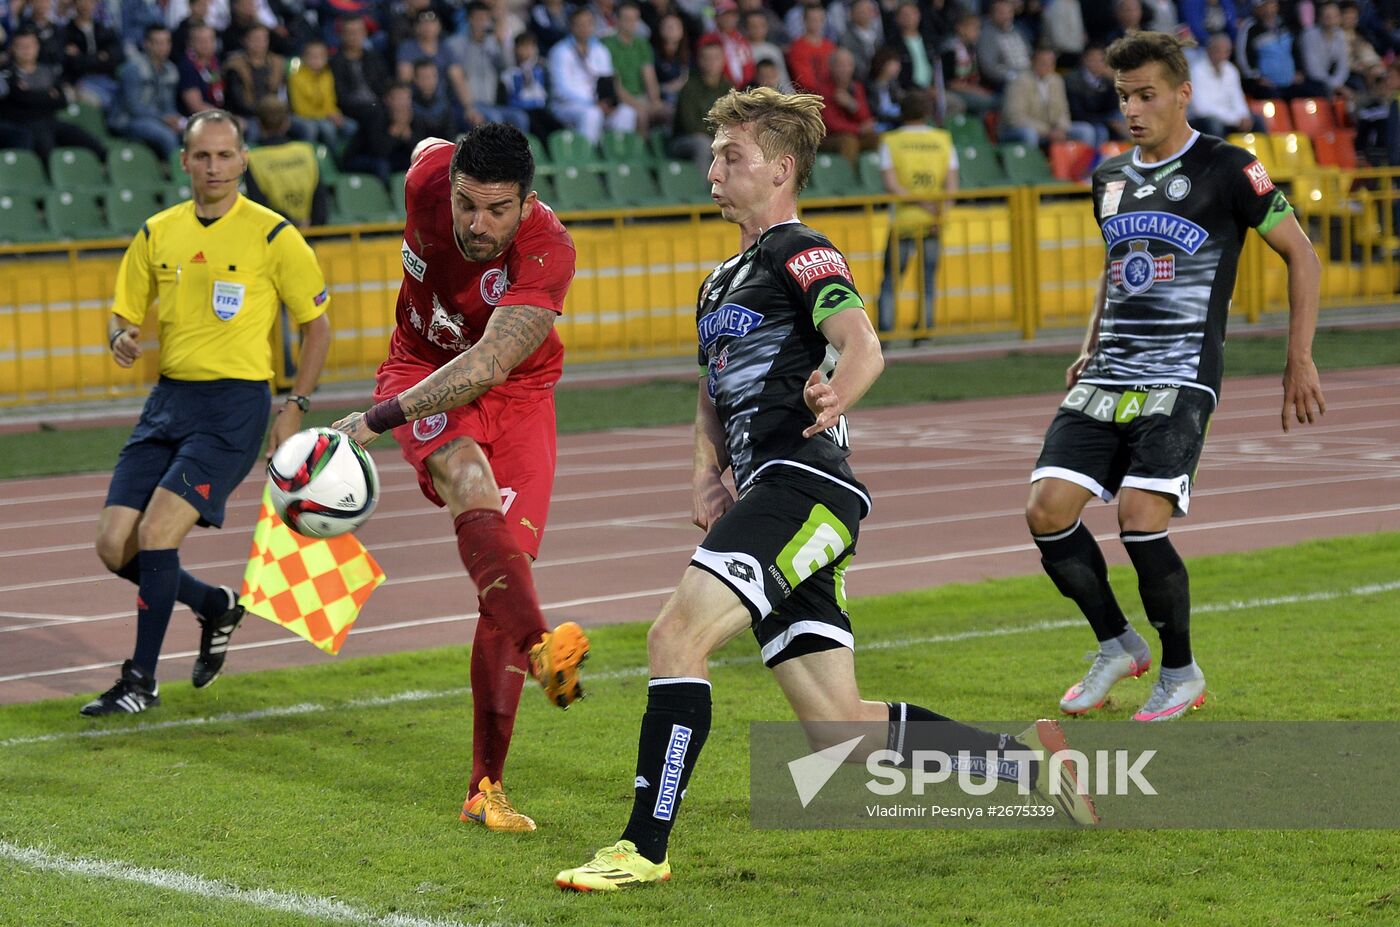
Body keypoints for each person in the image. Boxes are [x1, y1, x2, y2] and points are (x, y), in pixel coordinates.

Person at [554, 86, 1096, 893]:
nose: (712, 172)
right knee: (841, 733)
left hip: (803, 485)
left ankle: (642, 847)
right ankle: (1032, 766)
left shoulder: (801, 249)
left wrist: (839, 392)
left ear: (779, 169)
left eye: (731, 157)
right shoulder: (717, 283)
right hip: (772, 493)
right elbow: (710, 389)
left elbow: (861, 341)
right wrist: (704, 470)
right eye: (713, 155)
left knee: (674, 639)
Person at [1024, 32, 1325, 724]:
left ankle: (1181, 672)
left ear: (1182, 93)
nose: (1132, 108)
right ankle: (1117, 644)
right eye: (1123, 95)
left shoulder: (1229, 168)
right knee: (1045, 510)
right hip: (1106, 372)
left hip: (1180, 375)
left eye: (1146, 94)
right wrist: (1088, 343)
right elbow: (1116, 269)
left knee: (1140, 519)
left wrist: (1298, 355)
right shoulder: (1108, 178)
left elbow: (1301, 255)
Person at [330, 124, 591, 832]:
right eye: (466, 205)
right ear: (447, 187)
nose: (478, 225)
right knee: (469, 482)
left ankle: (485, 787)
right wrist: (393, 406)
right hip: (419, 371)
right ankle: (542, 643)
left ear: (526, 202)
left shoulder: (548, 250)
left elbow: (486, 367)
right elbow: (424, 145)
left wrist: (374, 420)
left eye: (497, 210)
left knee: (505, 584)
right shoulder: (425, 177)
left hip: (519, 392)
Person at [83, 109, 332, 717]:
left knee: (157, 533)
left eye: (225, 155)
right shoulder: (156, 232)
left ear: (244, 160)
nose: (214, 167)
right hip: (168, 401)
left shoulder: (274, 236)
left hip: (234, 408)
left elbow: (317, 326)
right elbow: (124, 314)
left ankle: (139, 679)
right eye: (203, 156)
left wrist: (293, 405)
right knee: (114, 546)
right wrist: (120, 337)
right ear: (185, 162)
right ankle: (215, 604)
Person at [876, 91, 956, 335]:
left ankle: (886, 332)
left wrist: (919, 204)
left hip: (903, 220)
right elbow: (952, 184)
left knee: (891, 280)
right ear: (928, 113)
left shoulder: (890, 141)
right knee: (928, 280)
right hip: (933, 221)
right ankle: (924, 330)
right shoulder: (943, 139)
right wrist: (939, 214)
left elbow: (893, 185)